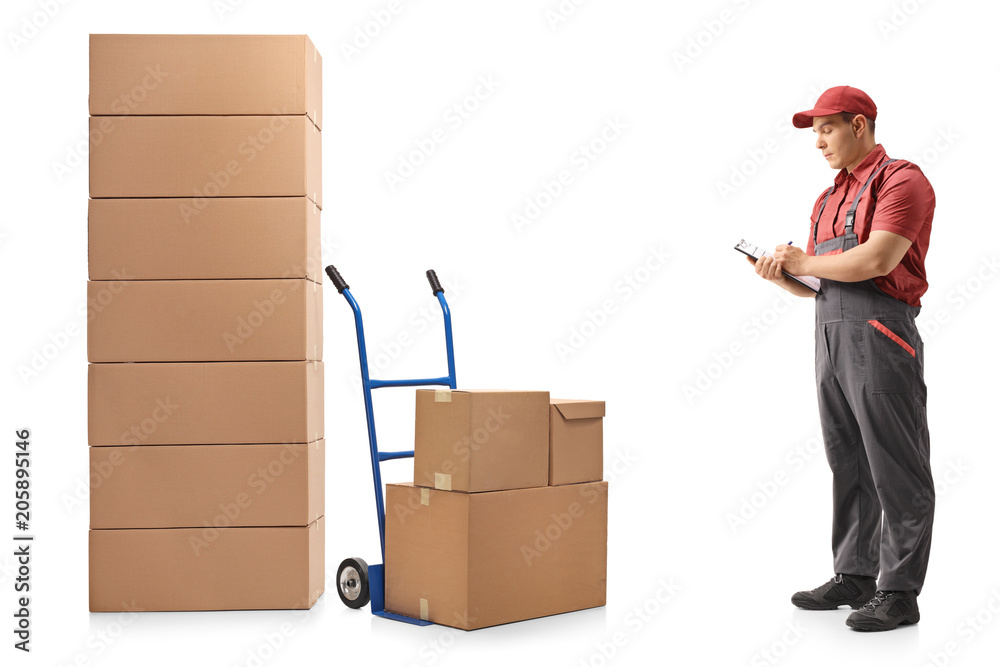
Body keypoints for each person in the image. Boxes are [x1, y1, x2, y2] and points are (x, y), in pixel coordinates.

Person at [747, 86, 936, 632]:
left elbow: (877, 257)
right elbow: (818, 283)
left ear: (859, 125)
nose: (819, 142)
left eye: (826, 129)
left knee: (895, 464)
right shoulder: (827, 197)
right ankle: (855, 575)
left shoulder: (902, 179)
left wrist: (806, 259)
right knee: (847, 458)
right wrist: (785, 275)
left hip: (881, 330)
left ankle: (899, 591)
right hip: (829, 331)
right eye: (814, 133)